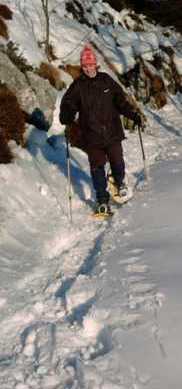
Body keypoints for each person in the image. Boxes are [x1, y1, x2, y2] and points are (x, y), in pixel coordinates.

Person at [59, 44, 142, 214]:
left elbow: (120, 101)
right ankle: (102, 200)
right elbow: (68, 103)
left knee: (117, 162)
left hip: (112, 132)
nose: (89, 69)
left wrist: (133, 114)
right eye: (85, 66)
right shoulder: (78, 86)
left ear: (96, 65)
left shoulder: (106, 80)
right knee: (97, 167)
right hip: (92, 136)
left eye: (91, 65)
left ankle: (119, 182)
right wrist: (66, 115)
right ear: (82, 67)